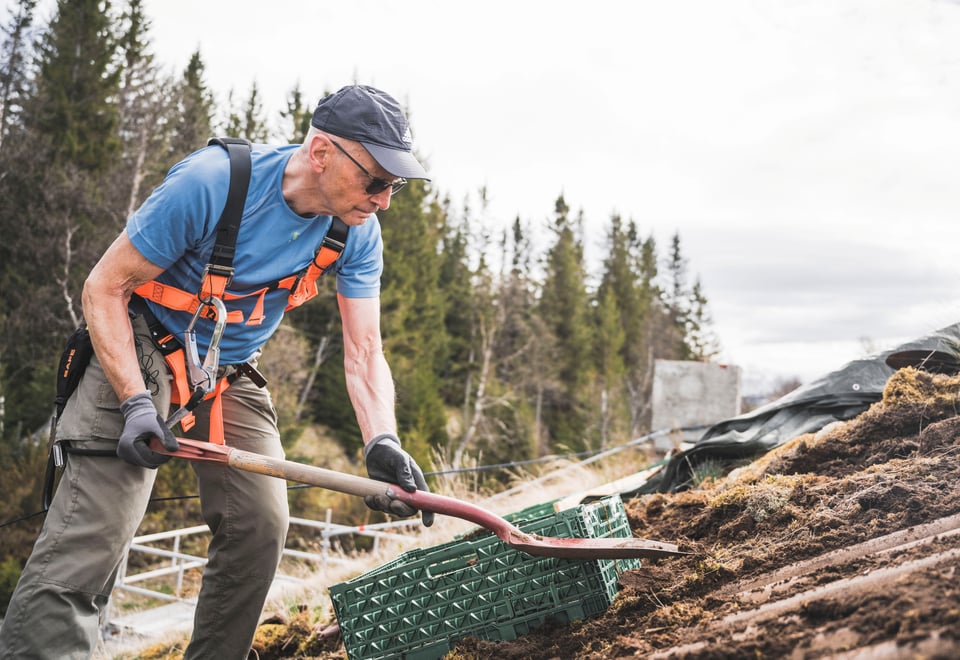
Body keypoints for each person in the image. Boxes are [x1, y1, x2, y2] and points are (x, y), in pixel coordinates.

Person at [0, 84, 433, 660]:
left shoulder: (356, 230)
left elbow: (365, 350)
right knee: (94, 539)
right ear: (323, 152)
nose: (384, 200)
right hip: (139, 350)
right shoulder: (213, 183)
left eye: (395, 185)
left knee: (261, 523)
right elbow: (103, 287)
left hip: (226, 371)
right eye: (376, 180)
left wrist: (383, 440)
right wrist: (132, 403)